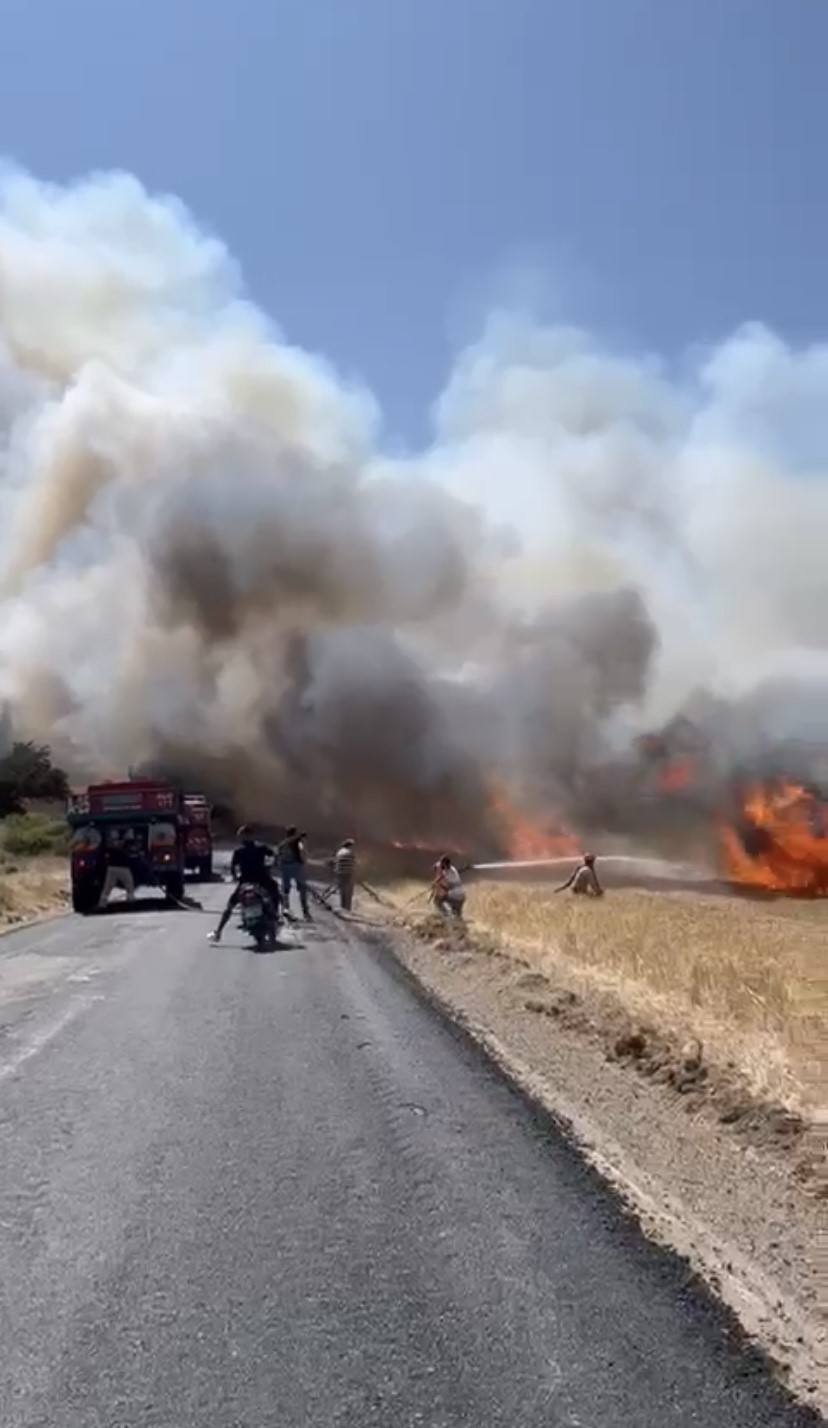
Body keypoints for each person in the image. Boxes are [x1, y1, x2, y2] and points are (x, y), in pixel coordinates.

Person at [209, 827, 281, 943]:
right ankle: (276, 917)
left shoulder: (239, 852)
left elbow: (233, 868)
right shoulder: (260, 848)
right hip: (261, 881)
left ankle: (218, 931)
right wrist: (273, 864)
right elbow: (274, 855)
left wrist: (235, 876)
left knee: (230, 907)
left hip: (246, 882)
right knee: (275, 894)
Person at [280, 825, 311, 920]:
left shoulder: (283, 843)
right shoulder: (297, 841)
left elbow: (279, 855)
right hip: (296, 866)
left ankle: (285, 908)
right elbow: (302, 851)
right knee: (302, 888)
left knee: (285, 889)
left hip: (285, 866)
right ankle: (305, 910)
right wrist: (303, 862)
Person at [98, 830, 136, 909]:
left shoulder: (111, 845)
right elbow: (131, 853)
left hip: (111, 868)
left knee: (107, 886)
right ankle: (130, 899)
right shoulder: (125, 845)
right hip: (123, 868)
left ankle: (102, 902)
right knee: (129, 884)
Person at [334, 837, 356, 912]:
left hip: (340, 872)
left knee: (342, 890)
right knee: (348, 891)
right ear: (350, 846)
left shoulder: (339, 852)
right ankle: (347, 908)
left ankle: (342, 906)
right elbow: (353, 864)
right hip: (348, 873)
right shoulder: (350, 852)